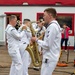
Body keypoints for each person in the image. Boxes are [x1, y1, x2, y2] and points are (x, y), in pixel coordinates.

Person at [31, 8, 61, 75]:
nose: (43, 17)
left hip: (49, 58)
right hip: (50, 56)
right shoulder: (54, 25)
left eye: (44, 15)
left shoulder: (52, 27)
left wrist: (36, 40)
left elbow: (47, 45)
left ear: (50, 15)